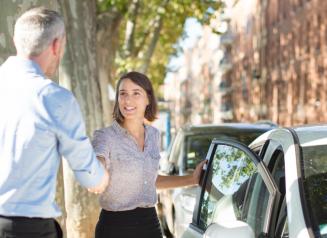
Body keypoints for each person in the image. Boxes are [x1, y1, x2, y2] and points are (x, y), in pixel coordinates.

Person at [0, 7, 109, 238]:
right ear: (56, 45)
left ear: (15, 40)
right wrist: (103, 176)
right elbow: (89, 174)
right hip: (25, 228)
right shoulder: (55, 99)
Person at [92, 71, 206, 238]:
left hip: (150, 224)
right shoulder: (105, 136)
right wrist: (96, 171)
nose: (128, 100)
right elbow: (98, 160)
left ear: (148, 99)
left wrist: (192, 179)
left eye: (136, 93)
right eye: (123, 94)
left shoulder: (153, 135)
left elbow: (150, 181)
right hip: (115, 227)